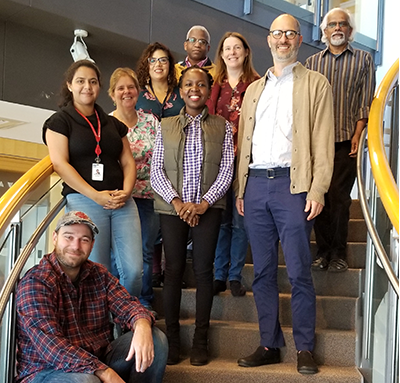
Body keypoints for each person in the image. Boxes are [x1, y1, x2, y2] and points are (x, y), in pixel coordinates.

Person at [234, 14, 334, 374]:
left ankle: (304, 347)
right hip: (256, 184)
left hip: (295, 186)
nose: (283, 40)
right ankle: (268, 343)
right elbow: (244, 141)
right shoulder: (253, 90)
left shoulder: (316, 84)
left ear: (300, 40)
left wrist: (318, 188)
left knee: (298, 270)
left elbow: (323, 143)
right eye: (277, 33)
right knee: (261, 272)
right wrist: (240, 187)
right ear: (269, 40)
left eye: (290, 33)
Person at [15, 210, 168, 383]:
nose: (76, 246)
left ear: (92, 244)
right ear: (55, 237)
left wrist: (141, 323)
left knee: (156, 339)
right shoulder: (36, 281)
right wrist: (104, 372)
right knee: (86, 380)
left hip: (97, 360)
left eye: (84, 240)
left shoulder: (99, 274)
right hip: (47, 370)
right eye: (69, 237)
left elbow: (127, 304)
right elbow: (52, 346)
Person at [150, 66, 234, 366]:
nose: (194, 88)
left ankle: (200, 341)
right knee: (172, 272)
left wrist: (202, 204)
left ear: (209, 89)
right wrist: (178, 203)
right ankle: (172, 342)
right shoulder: (165, 125)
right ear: (181, 90)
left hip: (207, 210)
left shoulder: (223, 126)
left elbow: (226, 170)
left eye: (200, 84)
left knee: (203, 272)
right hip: (172, 209)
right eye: (188, 84)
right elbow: (156, 169)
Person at [43, 60, 143, 298]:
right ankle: (102, 326)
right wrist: (95, 195)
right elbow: (60, 164)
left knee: (134, 270)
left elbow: (128, 161)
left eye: (92, 81)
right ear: (69, 85)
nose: (87, 86)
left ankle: (125, 321)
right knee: (98, 269)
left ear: (99, 87)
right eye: (80, 81)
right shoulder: (59, 121)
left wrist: (127, 192)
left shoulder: (112, 123)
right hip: (85, 200)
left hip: (121, 200)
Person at [305, 8, 375, 273]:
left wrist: (358, 134)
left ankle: (339, 253)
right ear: (324, 31)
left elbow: (364, 102)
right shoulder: (312, 63)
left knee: (340, 197)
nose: (337, 28)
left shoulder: (363, 60)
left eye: (342, 24)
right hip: (316, 143)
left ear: (350, 30)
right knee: (319, 195)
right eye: (332, 24)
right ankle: (322, 252)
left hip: (347, 139)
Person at [207, 31, 260, 297]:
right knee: (221, 220)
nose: (232, 52)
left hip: (246, 162)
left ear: (246, 51)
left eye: (237, 47)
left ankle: (235, 275)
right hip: (217, 161)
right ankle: (219, 274)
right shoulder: (213, 83)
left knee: (240, 221)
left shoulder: (258, 83)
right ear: (221, 54)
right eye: (227, 48)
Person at [108, 68, 160, 316]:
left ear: (138, 91)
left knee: (145, 252)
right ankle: (117, 303)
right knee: (117, 255)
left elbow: (161, 159)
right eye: (121, 88)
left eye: (131, 87)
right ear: (112, 94)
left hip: (148, 197)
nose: (126, 92)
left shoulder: (151, 121)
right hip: (118, 199)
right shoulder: (106, 124)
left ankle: (143, 301)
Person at [136, 42, 185, 120]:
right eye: (152, 60)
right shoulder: (137, 94)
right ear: (146, 65)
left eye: (163, 60)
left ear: (170, 64)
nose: (158, 64)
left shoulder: (181, 93)